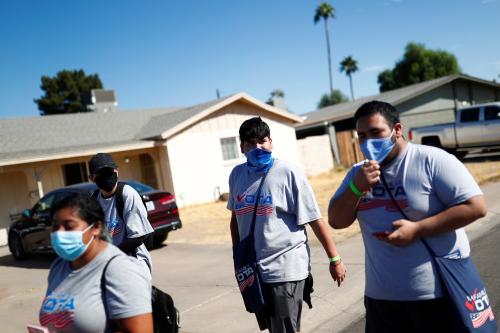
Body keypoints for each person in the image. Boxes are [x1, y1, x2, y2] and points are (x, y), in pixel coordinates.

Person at [329, 100, 487, 333]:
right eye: (362, 136)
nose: (368, 141)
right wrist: (356, 187)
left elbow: (476, 206)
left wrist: (418, 229)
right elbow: (337, 220)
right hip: (381, 298)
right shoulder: (358, 173)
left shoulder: (432, 160)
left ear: (397, 130)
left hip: (435, 294)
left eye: (376, 132)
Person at [228, 117, 346, 333]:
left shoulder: (288, 172)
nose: (258, 147)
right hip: (253, 270)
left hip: (285, 268)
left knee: (285, 329)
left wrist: (334, 258)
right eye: (251, 143)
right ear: (241, 147)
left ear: (271, 142)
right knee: (274, 328)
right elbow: (235, 220)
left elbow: (313, 218)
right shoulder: (237, 175)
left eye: (262, 141)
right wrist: (239, 259)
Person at [39, 194, 153, 333]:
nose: (59, 233)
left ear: (96, 227)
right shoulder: (59, 266)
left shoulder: (119, 269)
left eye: (69, 226)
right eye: (55, 227)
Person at [88, 153, 154, 279]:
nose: (106, 177)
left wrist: (109, 255)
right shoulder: (94, 200)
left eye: (109, 172)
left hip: (134, 266)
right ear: (92, 177)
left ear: (117, 171)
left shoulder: (127, 194)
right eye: (100, 174)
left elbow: (137, 237)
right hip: (110, 269)